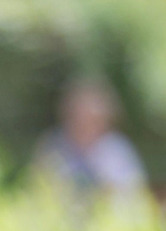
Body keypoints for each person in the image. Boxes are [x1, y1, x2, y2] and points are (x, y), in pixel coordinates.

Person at [34, 77, 150, 209]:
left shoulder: (117, 151)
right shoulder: (53, 146)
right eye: (78, 116)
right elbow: (37, 190)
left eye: (92, 119)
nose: (84, 124)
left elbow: (134, 196)